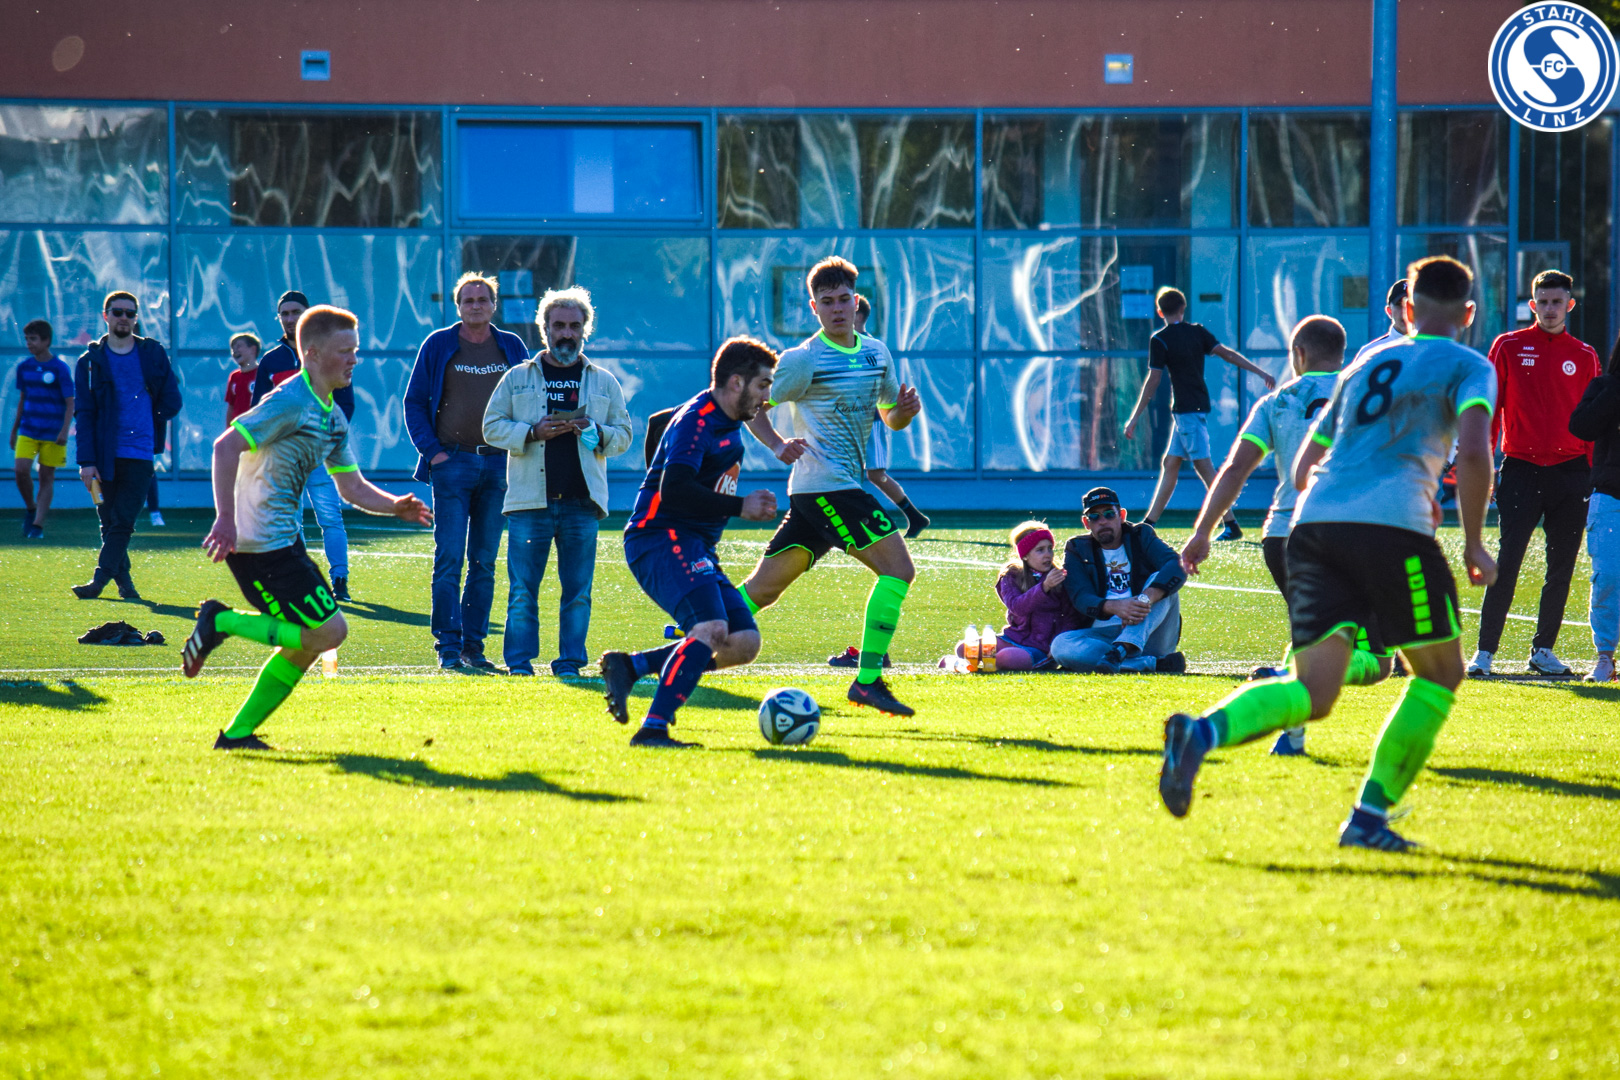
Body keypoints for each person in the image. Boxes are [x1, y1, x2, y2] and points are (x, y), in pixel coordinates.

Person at [1160, 255, 1499, 852]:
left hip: (1313, 527)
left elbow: (1303, 468)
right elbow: (1474, 454)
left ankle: (1201, 733)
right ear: (1468, 313)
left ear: (1408, 309)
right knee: (1442, 672)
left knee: (1315, 692)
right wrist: (1472, 540)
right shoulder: (1469, 365)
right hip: (1393, 529)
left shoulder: (1363, 365)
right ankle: (1368, 819)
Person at [181, 306, 433, 749]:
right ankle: (221, 620)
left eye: (355, 350)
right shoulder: (290, 401)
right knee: (331, 632)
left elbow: (351, 487)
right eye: (345, 351)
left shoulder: (332, 417)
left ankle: (237, 735)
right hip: (258, 545)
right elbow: (225, 447)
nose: (354, 359)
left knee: (308, 642)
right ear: (312, 354)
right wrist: (225, 518)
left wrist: (396, 507)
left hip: (285, 541)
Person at [1181, 315, 1389, 756]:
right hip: (1351, 533)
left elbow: (1235, 469)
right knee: (1379, 662)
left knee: (1313, 638)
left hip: (1284, 536)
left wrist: (1203, 531)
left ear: (1299, 354)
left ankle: (1291, 737)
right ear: (1342, 354)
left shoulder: (1277, 402)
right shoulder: (1363, 394)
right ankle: (1288, 679)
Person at [738, 257, 923, 717]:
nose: (837, 308)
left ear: (856, 301)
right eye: (827, 302)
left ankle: (682, 646)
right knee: (899, 569)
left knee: (763, 590)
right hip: (828, 488)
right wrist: (777, 444)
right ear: (814, 307)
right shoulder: (803, 360)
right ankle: (868, 681)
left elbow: (889, 417)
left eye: (843, 299)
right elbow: (749, 405)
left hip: (821, 492)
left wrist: (904, 412)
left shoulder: (876, 353)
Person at [599, 338, 782, 747]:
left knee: (742, 642)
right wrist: (741, 506)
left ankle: (632, 667)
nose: (767, 398)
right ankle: (653, 728)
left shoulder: (718, 415)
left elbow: (659, 423)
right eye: (763, 385)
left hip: (692, 543)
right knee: (711, 629)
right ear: (736, 382)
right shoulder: (698, 421)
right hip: (661, 537)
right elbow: (675, 489)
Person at [482, 286, 632, 677]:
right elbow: (491, 427)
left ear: (585, 329)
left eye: (574, 326)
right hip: (529, 502)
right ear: (544, 329)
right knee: (521, 592)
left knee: (578, 593)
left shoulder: (604, 382)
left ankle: (569, 663)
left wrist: (595, 430)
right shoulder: (518, 377)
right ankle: (519, 664)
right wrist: (532, 432)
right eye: (559, 325)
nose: (567, 333)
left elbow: (624, 436)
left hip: (582, 503)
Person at [1468, 269, 1601, 678]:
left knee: (1560, 568)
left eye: (1556, 302)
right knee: (1507, 562)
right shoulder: (1508, 346)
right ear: (1532, 305)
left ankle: (1543, 650)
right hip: (1521, 469)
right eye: (1542, 302)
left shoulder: (1584, 355)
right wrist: (1486, 465)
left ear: (1570, 304)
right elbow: (1489, 408)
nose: (1549, 309)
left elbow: (1593, 422)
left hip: (1571, 473)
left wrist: (1593, 475)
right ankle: (1484, 653)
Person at [404, 273, 529, 670]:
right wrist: (434, 454)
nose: (476, 305)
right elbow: (414, 402)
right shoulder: (438, 344)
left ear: (494, 305)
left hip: (499, 465)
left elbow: (530, 401)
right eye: (468, 300)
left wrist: (519, 448)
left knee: (484, 562)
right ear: (458, 306)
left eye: (483, 299)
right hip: (452, 464)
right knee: (449, 558)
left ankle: (473, 648)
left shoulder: (511, 346)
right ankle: (447, 647)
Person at [1124, 287, 1275, 535]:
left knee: (1205, 468)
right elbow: (1227, 355)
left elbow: (1153, 380)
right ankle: (1149, 524)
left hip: (1186, 412)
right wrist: (1260, 372)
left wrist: (1134, 418)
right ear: (1183, 308)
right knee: (1171, 463)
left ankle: (1231, 524)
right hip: (1191, 409)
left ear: (1160, 312)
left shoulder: (1160, 339)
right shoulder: (1197, 332)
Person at [72, 291, 182, 601]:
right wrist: (86, 462)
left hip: (140, 452)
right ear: (105, 316)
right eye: (117, 312)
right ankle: (126, 586)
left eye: (130, 313)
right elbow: (84, 414)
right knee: (109, 522)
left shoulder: (152, 353)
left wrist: (150, 418)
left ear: (136, 318)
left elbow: (172, 400)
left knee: (123, 521)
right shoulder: (89, 363)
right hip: (102, 457)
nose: (124, 318)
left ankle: (98, 581)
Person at [251, 290, 356, 601]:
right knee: (290, 523)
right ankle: (302, 584)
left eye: (295, 312)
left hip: (321, 456)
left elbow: (346, 403)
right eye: (284, 313)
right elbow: (259, 410)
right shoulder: (271, 360)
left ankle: (339, 581)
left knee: (330, 518)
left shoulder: (330, 353)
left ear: (308, 315)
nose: (290, 318)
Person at [1048, 487, 1187, 673]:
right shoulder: (1077, 548)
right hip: (1106, 636)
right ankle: (1150, 664)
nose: (1103, 521)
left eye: (1109, 514)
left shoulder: (1141, 535)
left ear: (1121, 516)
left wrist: (1143, 600)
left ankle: (1122, 649)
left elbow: (1177, 565)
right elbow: (1081, 596)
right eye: (1094, 517)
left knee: (1161, 580)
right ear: (1086, 523)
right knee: (1060, 645)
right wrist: (1116, 607)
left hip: (1150, 631)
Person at [855, 295, 929, 539]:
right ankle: (908, 517)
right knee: (851, 474)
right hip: (852, 420)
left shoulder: (869, 346)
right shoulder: (849, 345)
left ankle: (908, 517)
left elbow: (877, 386)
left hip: (870, 420)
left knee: (875, 474)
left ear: (859, 316)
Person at [1568, 337, 1620, 682]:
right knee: (1608, 577)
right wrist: (1615, 388)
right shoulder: (1605, 386)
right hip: (1610, 496)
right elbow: (1580, 427)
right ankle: (1604, 656)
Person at [11, 319, 73, 539]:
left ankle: (37, 525)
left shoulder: (60, 368)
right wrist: (14, 430)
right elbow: (23, 399)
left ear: (46, 341)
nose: (29, 343)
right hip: (28, 430)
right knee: (20, 471)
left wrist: (64, 431)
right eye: (27, 339)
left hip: (52, 433)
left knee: (46, 476)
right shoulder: (24, 367)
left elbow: (70, 403)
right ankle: (31, 508)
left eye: (34, 339)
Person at [993, 520, 1083, 670]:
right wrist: (1043, 587)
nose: (1048, 555)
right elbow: (1017, 607)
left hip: (1043, 647)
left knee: (1004, 657)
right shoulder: (1011, 575)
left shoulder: (1059, 578)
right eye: (1040, 550)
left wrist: (1058, 645)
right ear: (1025, 555)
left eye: (1050, 549)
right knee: (965, 648)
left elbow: (1072, 618)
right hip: (1014, 637)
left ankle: (1002, 660)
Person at [225, 332, 261, 425]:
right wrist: (228, 428)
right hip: (238, 428)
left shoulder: (262, 373)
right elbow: (231, 407)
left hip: (257, 426)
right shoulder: (234, 376)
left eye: (238, 346)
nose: (234, 351)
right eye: (233, 348)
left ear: (253, 349)